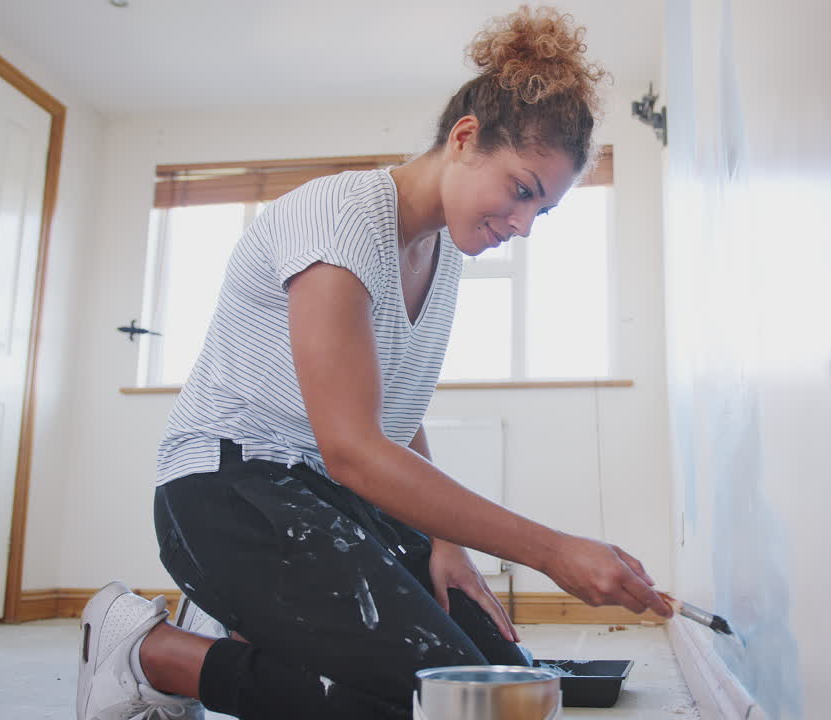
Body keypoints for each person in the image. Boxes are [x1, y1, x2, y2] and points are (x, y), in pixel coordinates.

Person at [75, 6, 673, 719]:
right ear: (464, 139)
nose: (520, 227)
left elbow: (392, 415)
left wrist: (444, 542)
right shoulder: (341, 217)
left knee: (508, 690)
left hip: (330, 499)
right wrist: (552, 551)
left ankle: (242, 621)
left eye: (539, 214)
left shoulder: (445, 253)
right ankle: (153, 655)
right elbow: (354, 450)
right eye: (521, 191)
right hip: (226, 489)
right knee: (429, 702)